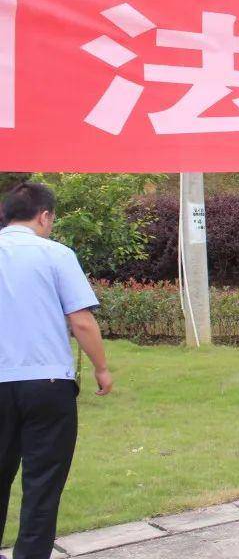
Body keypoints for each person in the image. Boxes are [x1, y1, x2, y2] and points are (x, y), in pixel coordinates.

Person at [1, 182, 113, 559]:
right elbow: (81, 320)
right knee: (43, 482)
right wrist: (101, 368)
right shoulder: (56, 254)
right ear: (44, 216)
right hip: (47, 382)